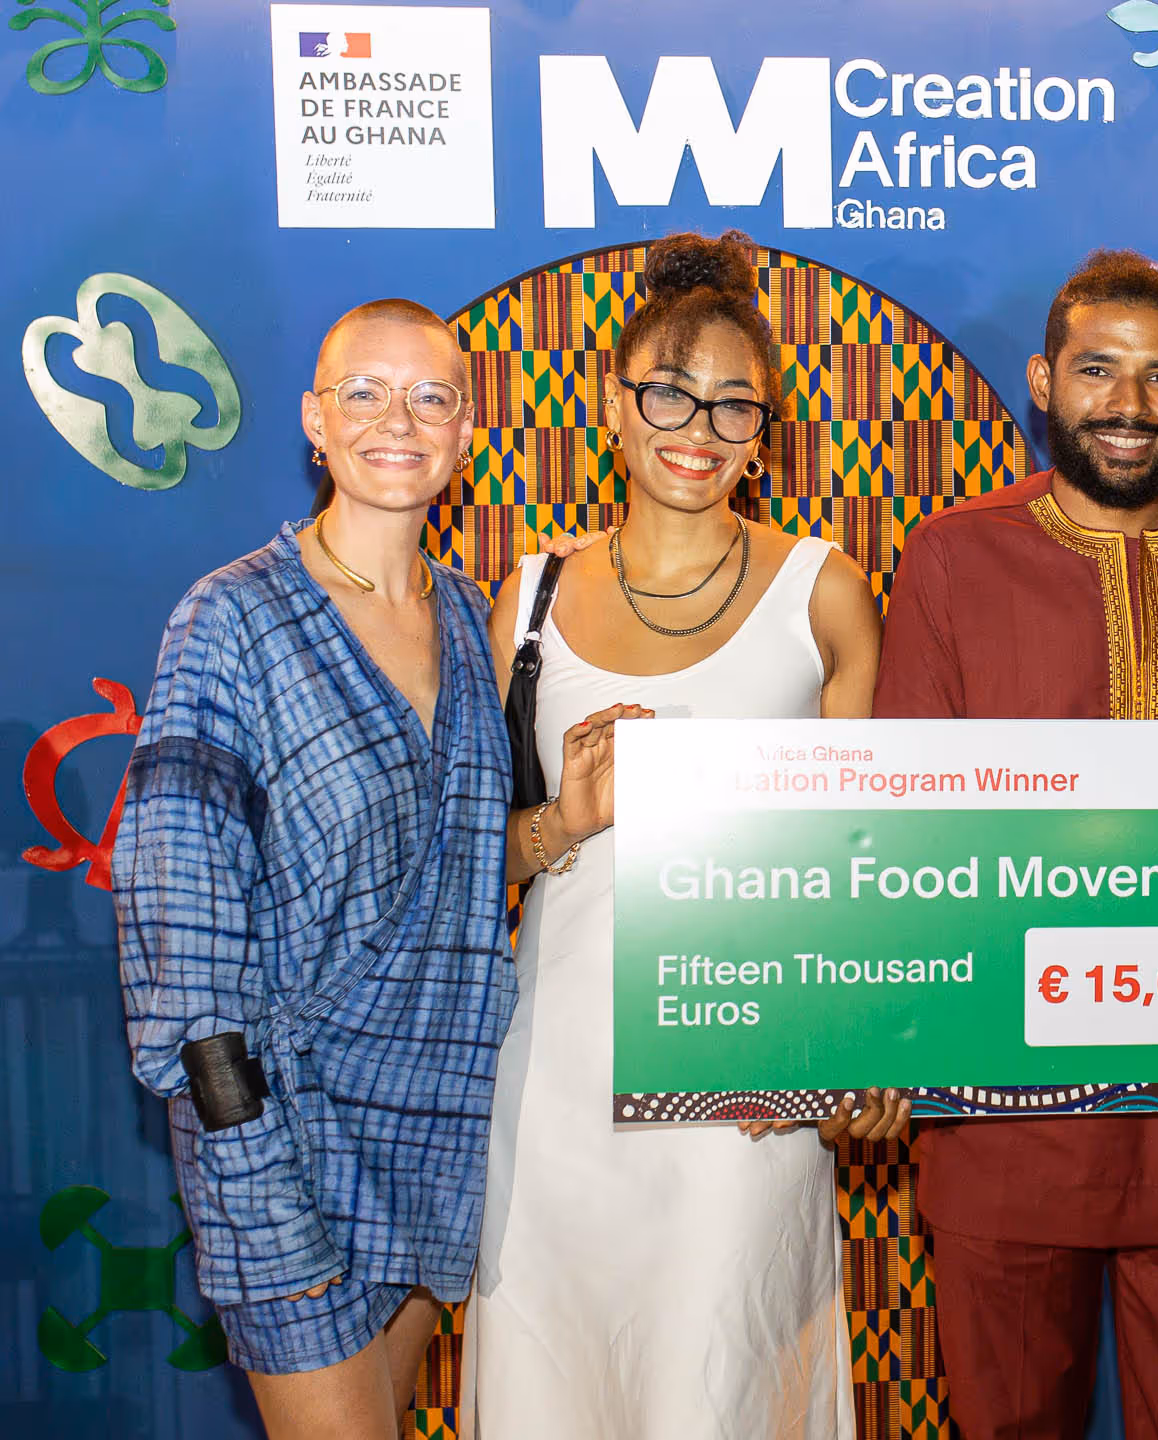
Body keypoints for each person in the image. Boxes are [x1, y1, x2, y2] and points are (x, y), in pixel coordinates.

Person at [873, 250, 1158, 1440]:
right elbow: (904, 827)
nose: (1129, 404)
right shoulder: (954, 558)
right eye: (1097, 371)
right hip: (1003, 1110)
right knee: (1013, 1417)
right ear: (1043, 383)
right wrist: (880, 1035)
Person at [464, 230, 908, 1438]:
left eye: (733, 406)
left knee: (717, 1386)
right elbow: (471, 868)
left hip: (745, 1083)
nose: (698, 429)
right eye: (669, 392)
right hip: (551, 1077)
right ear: (614, 402)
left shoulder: (822, 591)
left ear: (764, 430)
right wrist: (569, 817)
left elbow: (867, 860)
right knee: (554, 1388)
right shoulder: (528, 598)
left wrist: (858, 1038)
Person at [113, 300, 516, 1438]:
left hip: (433, 1122)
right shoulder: (233, 617)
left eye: (431, 397)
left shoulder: (470, 620)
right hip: (277, 1131)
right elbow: (175, 892)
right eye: (365, 393)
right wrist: (237, 1140)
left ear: (465, 429)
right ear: (315, 421)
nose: (400, 421)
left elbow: (473, 861)